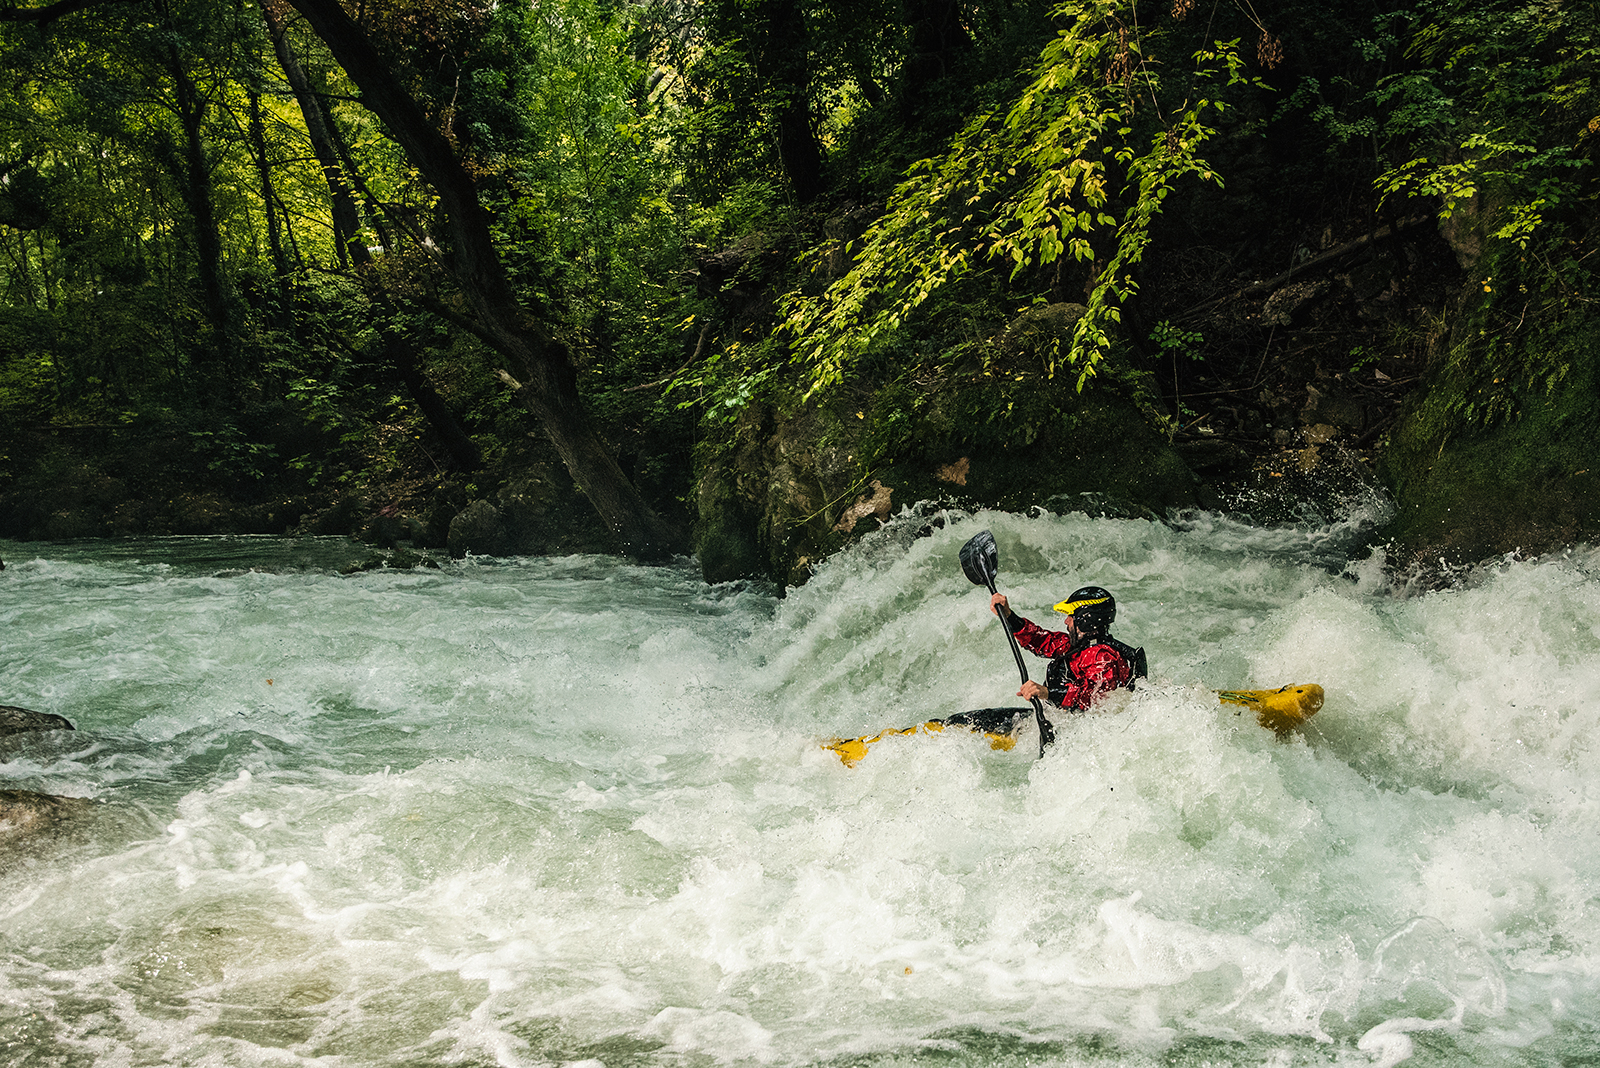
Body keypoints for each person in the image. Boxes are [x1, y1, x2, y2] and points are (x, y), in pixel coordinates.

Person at [989, 586, 1147, 711]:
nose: (1066, 621)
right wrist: (1009, 615)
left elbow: (1096, 698)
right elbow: (1040, 640)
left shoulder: (1102, 656)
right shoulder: (1077, 646)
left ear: (1086, 619)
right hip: (1064, 719)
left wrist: (1048, 693)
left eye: (1071, 616)